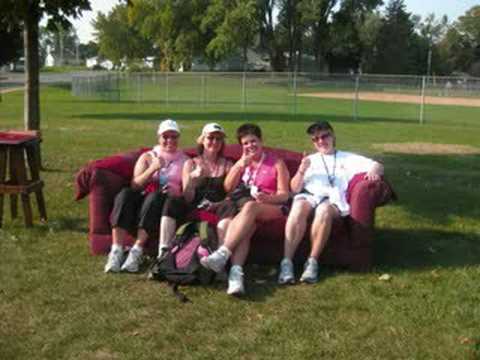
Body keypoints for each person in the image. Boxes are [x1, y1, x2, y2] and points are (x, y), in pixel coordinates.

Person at [277, 120, 384, 284]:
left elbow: (377, 164)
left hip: (332, 199)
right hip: (310, 196)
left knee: (324, 211)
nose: (321, 141)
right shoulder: (310, 160)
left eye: (324, 136)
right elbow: (295, 189)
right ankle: (286, 263)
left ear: (332, 136)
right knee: (298, 207)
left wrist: (375, 172)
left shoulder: (347, 158)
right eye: (315, 139)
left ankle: (312, 262)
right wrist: (301, 170)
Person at [200, 123, 290, 295]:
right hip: (248, 210)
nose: (250, 146)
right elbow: (228, 188)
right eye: (245, 143)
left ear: (261, 141)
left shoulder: (276, 163)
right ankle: (236, 276)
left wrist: (268, 198)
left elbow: (284, 195)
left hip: (273, 206)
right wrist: (240, 164)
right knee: (243, 227)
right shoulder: (243, 163)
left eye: (253, 141)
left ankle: (223, 253)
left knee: (250, 207)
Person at [104, 119, 187, 273]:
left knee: (155, 198)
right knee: (124, 194)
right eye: (165, 136)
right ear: (159, 137)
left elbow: (186, 190)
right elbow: (135, 184)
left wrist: (175, 191)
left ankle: (137, 250)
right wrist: (152, 169)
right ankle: (116, 250)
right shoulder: (148, 156)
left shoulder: (184, 160)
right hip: (142, 196)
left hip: (164, 200)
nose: (169, 140)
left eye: (174, 136)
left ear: (178, 138)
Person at [157, 123, 233, 258]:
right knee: (172, 202)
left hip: (219, 206)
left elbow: (231, 195)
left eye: (218, 139)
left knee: (229, 206)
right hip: (194, 204)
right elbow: (187, 197)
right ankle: (163, 251)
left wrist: (217, 204)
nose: (214, 142)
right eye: (210, 138)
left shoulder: (227, 165)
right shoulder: (190, 164)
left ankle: (220, 256)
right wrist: (193, 179)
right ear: (202, 140)